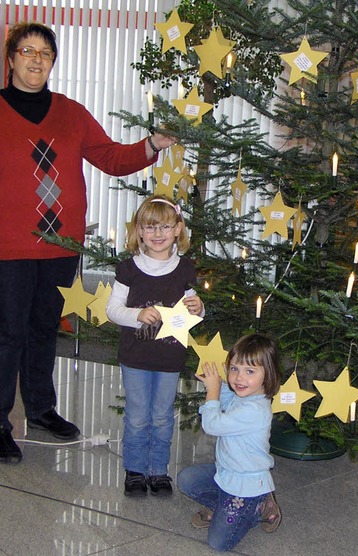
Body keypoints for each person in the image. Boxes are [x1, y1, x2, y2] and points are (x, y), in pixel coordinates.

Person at [0, 21, 176, 464]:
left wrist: (151, 144)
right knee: (7, 334)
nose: (37, 59)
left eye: (45, 53)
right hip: (8, 247)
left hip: (61, 245)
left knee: (44, 329)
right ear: (11, 58)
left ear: (53, 62)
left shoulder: (71, 112)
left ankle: (40, 409)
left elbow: (111, 158)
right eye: (28, 51)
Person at [106, 195, 204, 496]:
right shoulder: (129, 269)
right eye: (150, 227)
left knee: (162, 416)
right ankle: (135, 471)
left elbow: (193, 312)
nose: (158, 234)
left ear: (177, 229)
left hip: (170, 358)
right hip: (135, 357)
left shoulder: (185, 268)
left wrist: (199, 308)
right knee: (137, 416)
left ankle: (158, 471)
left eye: (165, 226)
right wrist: (137, 315)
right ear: (139, 231)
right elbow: (113, 310)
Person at [177, 333, 282, 552]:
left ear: (268, 374)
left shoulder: (255, 410)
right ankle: (226, 507)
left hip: (245, 486)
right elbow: (226, 398)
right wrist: (214, 382)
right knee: (186, 479)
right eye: (234, 369)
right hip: (226, 473)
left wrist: (213, 390)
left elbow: (212, 425)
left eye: (250, 371)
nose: (239, 378)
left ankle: (258, 507)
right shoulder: (244, 395)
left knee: (218, 543)